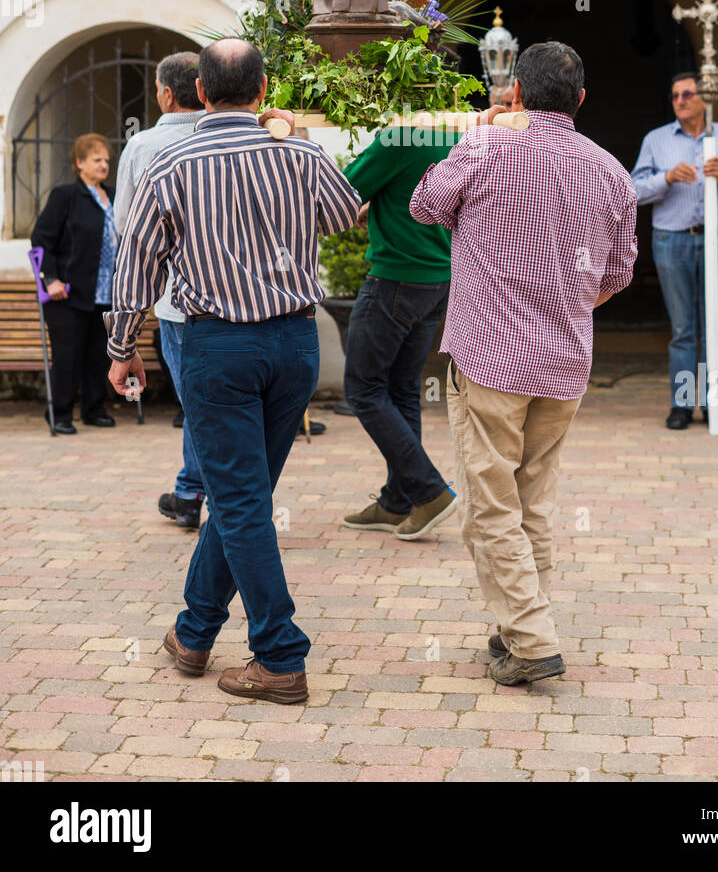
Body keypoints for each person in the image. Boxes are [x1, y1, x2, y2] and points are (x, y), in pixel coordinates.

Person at [106, 39, 360, 705]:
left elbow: (135, 264)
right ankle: (194, 631)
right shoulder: (298, 152)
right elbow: (345, 214)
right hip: (294, 344)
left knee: (240, 498)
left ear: (198, 91)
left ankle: (279, 655)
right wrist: (295, 137)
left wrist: (121, 347)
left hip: (219, 347)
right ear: (263, 85)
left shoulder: (169, 163)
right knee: (242, 495)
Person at [410, 42, 637, 685]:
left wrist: (476, 134)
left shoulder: (485, 148)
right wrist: (563, 302)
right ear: (581, 101)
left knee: (491, 504)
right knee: (531, 500)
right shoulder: (610, 172)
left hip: (489, 356)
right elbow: (618, 273)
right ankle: (517, 626)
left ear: (513, 94)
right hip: (564, 360)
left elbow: (425, 206)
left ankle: (533, 639)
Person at [341, 108, 503, 541]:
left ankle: (429, 490)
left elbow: (339, 191)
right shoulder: (459, 134)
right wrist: (381, 204)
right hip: (439, 278)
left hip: (395, 277)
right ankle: (399, 500)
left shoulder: (401, 134)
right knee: (401, 389)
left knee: (363, 389)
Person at [631, 73, 718, 431]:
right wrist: (666, 178)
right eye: (675, 96)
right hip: (672, 240)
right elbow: (634, 191)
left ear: (704, 99)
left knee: (716, 328)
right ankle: (682, 404)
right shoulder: (655, 140)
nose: (681, 100)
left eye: (688, 94)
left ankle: (716, 405)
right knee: (684, 328)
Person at [113, 51, 206, 527]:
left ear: (166, 94)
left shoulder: (144, 146)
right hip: (254, 301)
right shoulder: (245, 136)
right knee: (219, 404)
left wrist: (123, 338)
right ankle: (198, 491)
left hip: (177, 300)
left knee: (198, 402)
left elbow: (128, 229)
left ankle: (193, 493)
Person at [30, 133, 119, 434]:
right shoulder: (65, 196)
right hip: (67, 293)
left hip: (105, 292)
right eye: (97, 160)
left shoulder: (114, 196)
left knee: (98, 354)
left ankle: (94, 409)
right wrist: (50, 278)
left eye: (106, 160)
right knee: (67, 356)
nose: (104, 165)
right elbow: (41, 240)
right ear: (79, 163)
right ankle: (60, 414)